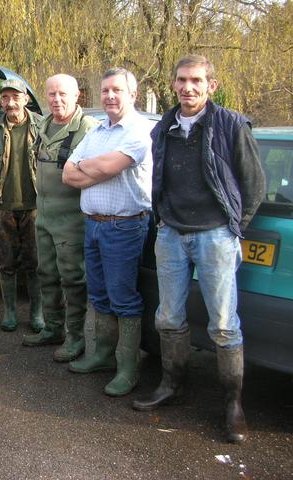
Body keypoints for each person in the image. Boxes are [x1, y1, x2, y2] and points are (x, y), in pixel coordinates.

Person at [131, 55, 265, 444]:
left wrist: (233, 229)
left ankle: (233, 404)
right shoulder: (164, 127)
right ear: (173, 84)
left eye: (196, 80)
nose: (187, 87)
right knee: (168, 317)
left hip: (215, 236)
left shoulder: (231, 125)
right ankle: (172, 386)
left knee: (223, 323)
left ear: (211, 84)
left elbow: (254, 184)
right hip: (171, 234)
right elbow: (159, 179)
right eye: (181, 80)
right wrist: (162, 221)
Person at [62, 68, 153, 396]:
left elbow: (101, 168)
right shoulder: (98, 131)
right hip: (94, 224)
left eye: (117, 90)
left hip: (124, 226)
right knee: (98, 293)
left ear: (133, 94)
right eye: (105, 91)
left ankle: (128, 368)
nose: (110, 96)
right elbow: (67, 175)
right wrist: (96, 169)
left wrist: (90, 167)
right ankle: (101, 354)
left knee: (123, 297)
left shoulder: (140, 131)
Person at [21, 74, 98, 363]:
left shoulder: (88, 130)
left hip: (72, 220)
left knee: (73, 279)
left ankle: (76, 337)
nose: (56, 99)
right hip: (45, 217)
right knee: (47, 275)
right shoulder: (43, 125)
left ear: (77, 95)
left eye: (63, 94)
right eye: (51, 94)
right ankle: (53, 329)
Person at [0, 79, 44, 333]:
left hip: (35, 206)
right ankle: (9, 312)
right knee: (5, 263)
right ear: (1, 101)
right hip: (2, 207)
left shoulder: (43, 127)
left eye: (15, 97)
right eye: (6, 97)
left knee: (36, 263)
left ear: (26, 99)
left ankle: (37, 313)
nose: (10, 102)